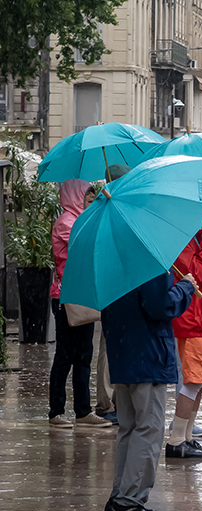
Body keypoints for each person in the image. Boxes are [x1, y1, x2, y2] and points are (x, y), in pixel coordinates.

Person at [101, 270, 196, 511]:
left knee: (129, 428)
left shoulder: (114, 262)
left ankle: (120, 496)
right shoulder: (148, 261)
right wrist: (185, 288)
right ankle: (128, 501)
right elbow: (160, 305)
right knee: (148, 428)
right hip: (148, 354)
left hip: (124, 352)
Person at [48, 180, 112, 429]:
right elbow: (84, 246)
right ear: (75, 197)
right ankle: (56, 411)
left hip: (82, 294)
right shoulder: (67, 222)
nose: (89, 203)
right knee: (65, 355)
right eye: (86, 198)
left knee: (84, 354)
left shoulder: (79, 219)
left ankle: (83, 411)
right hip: (66, 297)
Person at [164, 225, 202, 459]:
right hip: (194, 322)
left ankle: (187, 437)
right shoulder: (180, 240)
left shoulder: (195, 239)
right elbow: (193, 277)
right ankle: (177, 438)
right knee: (193, 380)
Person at [95, 163, 132, 425]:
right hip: (112, 285)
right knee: (109, 347)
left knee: (119, 345)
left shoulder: (120, 205)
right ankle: (106, 402)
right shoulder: (103, 207)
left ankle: (118, 400)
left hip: (124, 284)